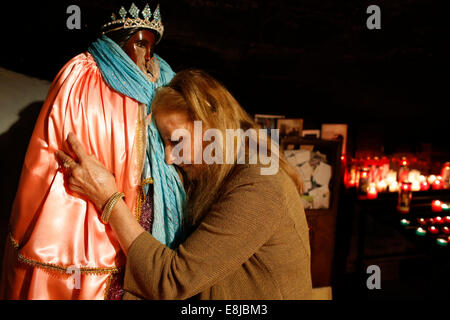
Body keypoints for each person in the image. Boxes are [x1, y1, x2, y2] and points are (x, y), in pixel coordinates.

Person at [56, 69, 313, 299]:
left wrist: (107, 198)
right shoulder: (226, 170)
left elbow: (171, 281)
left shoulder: (260, 186)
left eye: (176, 141)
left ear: (213, 128)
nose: (169, 158)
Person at [0, 1, 185, 300]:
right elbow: (59, 165)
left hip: (149, 226)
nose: (147, 57)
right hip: (96, 229)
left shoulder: (165, 80)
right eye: (139, 44)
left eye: (151, 47)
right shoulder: (82, 78)